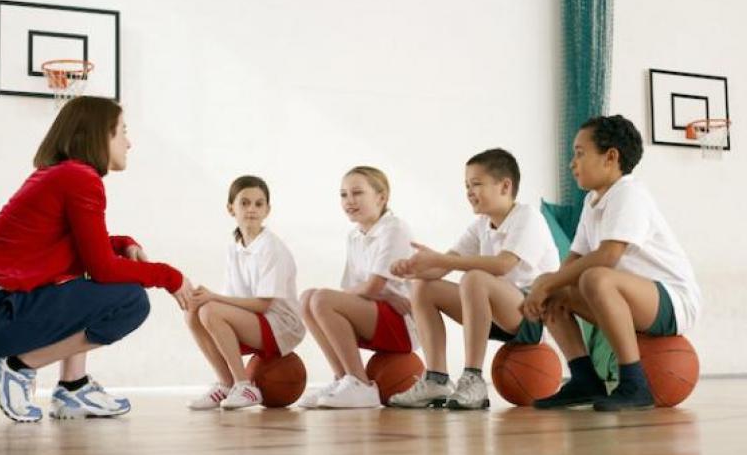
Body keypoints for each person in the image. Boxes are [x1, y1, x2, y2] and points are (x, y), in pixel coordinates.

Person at [0, 96, 193, 422]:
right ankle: (16, 368)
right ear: (97, 135)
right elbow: (102, 268)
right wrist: (169, 276)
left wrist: (123, 244)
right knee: (131, 300)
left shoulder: (60, 174)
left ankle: (73, 388)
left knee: (90, 283)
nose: (129, 143)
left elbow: (74, 252)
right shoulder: (79, 178)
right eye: (122, 131)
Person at [522, 115, 702, 411]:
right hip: (631, 299)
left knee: (595, 277)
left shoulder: (628, 192)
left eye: (580, 153)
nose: (572, 163)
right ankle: (584, 379)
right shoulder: (592, 201)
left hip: (673, 301)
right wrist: (544, 286)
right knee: (557, 290)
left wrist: (547, 282)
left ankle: (634, 383)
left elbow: (609, 255)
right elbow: (573, 261)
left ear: (611, 157)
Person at [388, 149, 559, 409]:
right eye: (467, 185)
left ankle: (473, 378)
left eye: (476, 184)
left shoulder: (527, 217)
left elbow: (503, 265)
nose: (469, 191)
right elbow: (441, 268)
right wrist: (412, 270)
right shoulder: (481, 225)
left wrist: (441, 261)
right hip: (496, 314)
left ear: (505, 186)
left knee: (475, 278)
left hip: (533, 315)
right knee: (424, 287)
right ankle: (436, 379)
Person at [297, 166, 416, 409]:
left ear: (381, 197)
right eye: (343, 195)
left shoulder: (394, 229)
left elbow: (369, 288)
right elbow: (361, 289)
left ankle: (360, 384)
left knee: (320, 299)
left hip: (403, 323)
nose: (349, 201)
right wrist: (380, 293)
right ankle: (343, 379)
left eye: (357, 193)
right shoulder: (354, 236)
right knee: (307, 297)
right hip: (378, 312)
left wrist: (376, 291)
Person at [186, 175, 305, 410]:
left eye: (259, 204)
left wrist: (213, 298)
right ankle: (226, 384)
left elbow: (263, 305)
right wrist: (204, 299)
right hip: (258, 321)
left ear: (267, 210)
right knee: (193, 309)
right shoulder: (235, 247)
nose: (252, 209)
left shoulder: (271, 247)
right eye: (245, 203)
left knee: (210, 309)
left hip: (282, 326)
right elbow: (234, 301)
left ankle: (245, 386)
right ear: (231, 208)